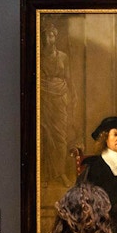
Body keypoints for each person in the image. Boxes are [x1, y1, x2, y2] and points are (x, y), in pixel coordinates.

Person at [40, 22, 77, 186]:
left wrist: (73, 95)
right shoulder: (38, 56)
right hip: (44, 98)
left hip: (61, 97)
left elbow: (68, 79)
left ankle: (60, 173)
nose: (51, 38)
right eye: (48, 35)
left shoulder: (62, 56)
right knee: (46, 137)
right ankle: (46, 176)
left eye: (53, 35)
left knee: (60, 137)